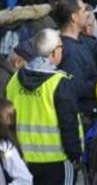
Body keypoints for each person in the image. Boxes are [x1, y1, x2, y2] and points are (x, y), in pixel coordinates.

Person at [4, 29, 81, 183]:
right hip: (57, 161)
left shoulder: (13, 81)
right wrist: (75, 155)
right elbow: (68, 123)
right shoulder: (60, 83)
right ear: (53, 53)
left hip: (21, 160)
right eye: (61, 46)